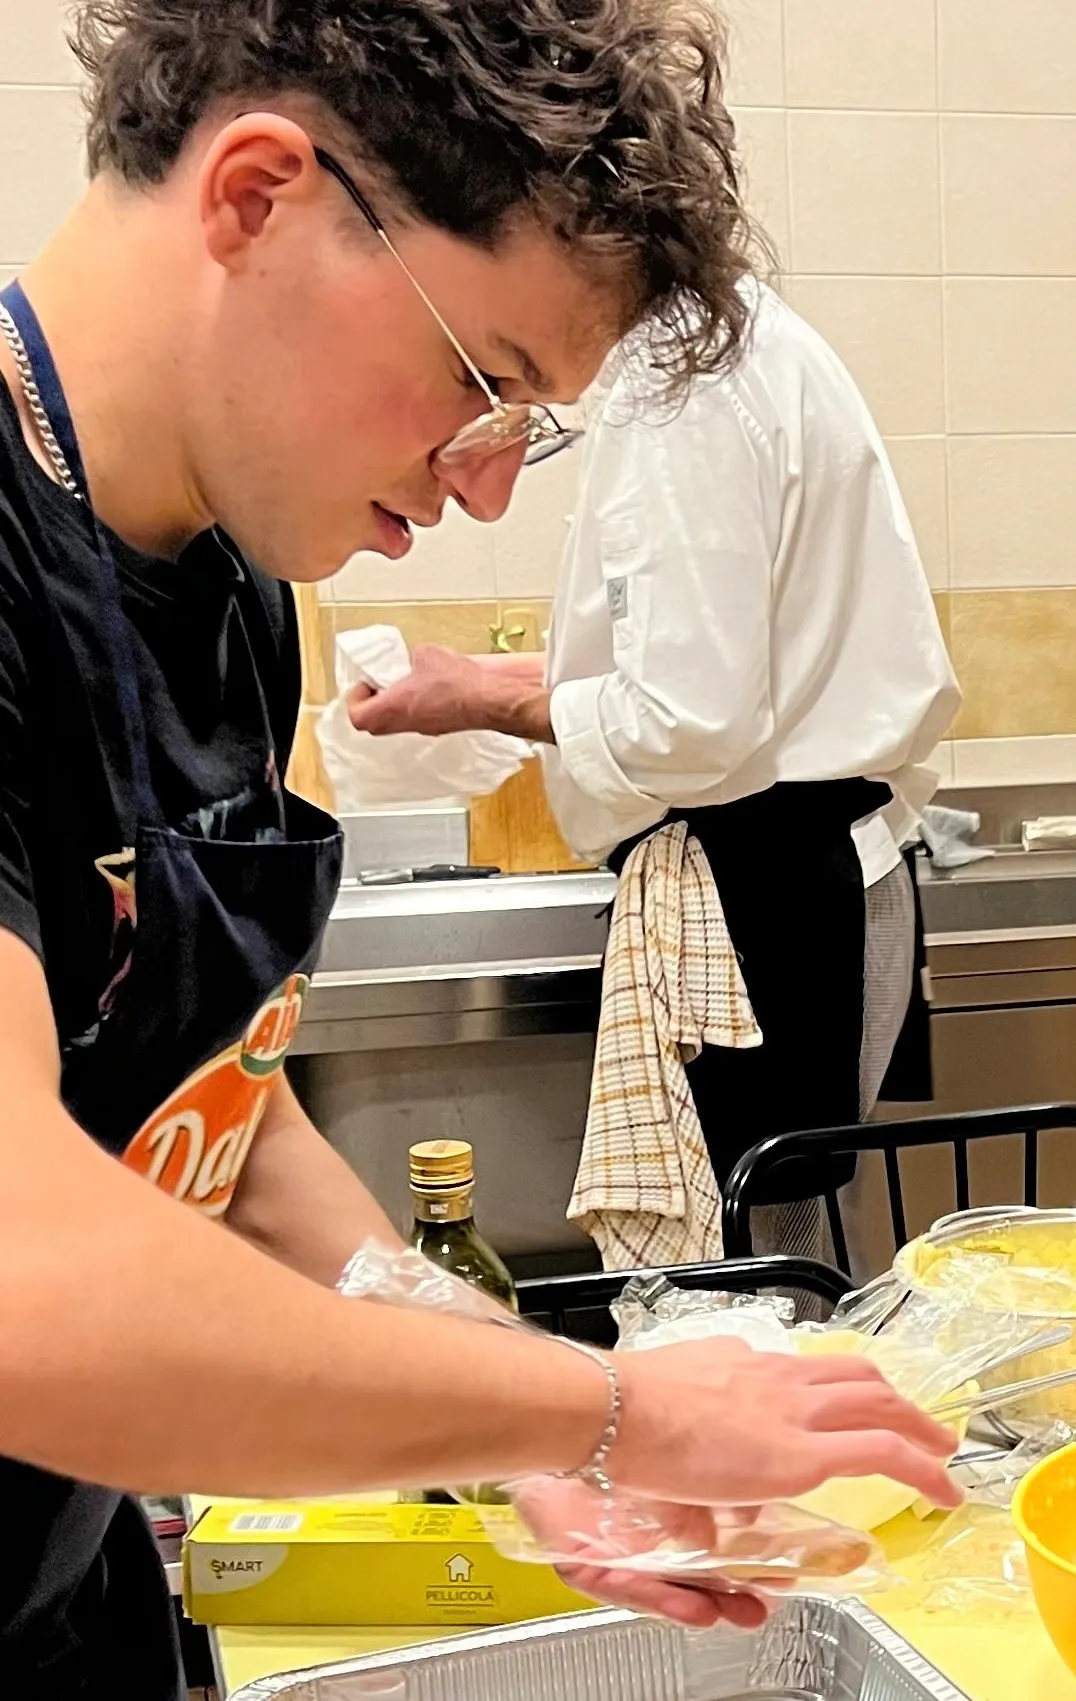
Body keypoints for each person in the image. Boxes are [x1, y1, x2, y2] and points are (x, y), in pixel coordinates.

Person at [0, 5, 958, 1696]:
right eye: (481, 377)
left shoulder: (231, 593)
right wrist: (606, 1404)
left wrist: (517, 1430)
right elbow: (31, 1284)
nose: (489, 486)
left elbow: (218, 1113)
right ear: (261, 196)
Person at [348, 273, 959, 1267]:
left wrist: (482, 701)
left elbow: (688, 723)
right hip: (796, 878)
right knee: (771, 1255)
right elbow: (710, 670)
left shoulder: (679, 385)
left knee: (753, 1275)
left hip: (765, 895)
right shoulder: (724, 341)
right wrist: (474, 682)